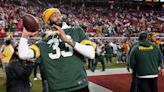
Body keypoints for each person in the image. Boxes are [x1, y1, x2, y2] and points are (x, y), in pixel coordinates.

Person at [18, 8, 96, 92]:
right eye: (54, 16)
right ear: (48, 21)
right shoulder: (43, 42)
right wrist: (25, 35)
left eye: (59, 15)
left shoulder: (76, 31)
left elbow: (91, 54)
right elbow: (23, 54)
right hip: (57, 89)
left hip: (79, 85)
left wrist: (67, 40)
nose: (58, 17)